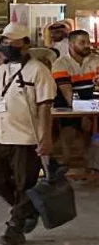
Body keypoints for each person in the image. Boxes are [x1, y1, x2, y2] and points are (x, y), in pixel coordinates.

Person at [0, 22, 55, 245]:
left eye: (11, 41)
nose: (7, 44)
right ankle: (26, 209)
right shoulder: (2, 70)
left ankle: (15, 226)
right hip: (2, 135)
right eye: (5, 40)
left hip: (26, 137)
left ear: (25, 44)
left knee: (27, 182)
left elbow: (44, 107)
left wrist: (45, 137)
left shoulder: (38, 71)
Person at [51, 29, 99, 173]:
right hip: (67, 106)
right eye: (82, 42)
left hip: (91, 104)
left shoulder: (95, 60)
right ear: (71, 44)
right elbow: (67, 94)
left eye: (88, 42)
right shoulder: (61, 64)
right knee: (70, 130)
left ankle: (92, 163)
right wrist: (83, 114)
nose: (87, 46)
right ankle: (65, 163)